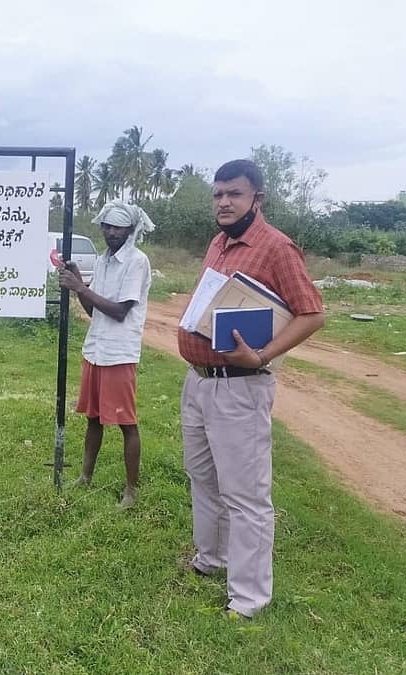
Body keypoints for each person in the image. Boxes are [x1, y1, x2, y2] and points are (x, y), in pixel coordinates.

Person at [178, 159, 324, 618]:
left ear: (256, 198)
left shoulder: (277, 248)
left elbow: (312, 313)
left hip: (240, 387)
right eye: (218, 194)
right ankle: (211, 558)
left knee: (245, 495)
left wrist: (261, 356)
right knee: (203, 476)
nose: (224, 202)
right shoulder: (219, 242)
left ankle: (248, 601)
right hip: (199, 382)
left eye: (234, 194)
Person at [59, 200, 153, 508]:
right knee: (94, 418)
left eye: (118, 227)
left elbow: (120, 311)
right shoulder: (103, 261)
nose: (111, 232)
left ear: (130, 229)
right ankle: (85, 477)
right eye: (107, 226)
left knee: (126, 423)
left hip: (119, 353)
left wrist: (81, 288)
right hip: (96, 349)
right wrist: (79, 284)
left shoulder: (136, 261)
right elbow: (91, 309)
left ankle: (131, 491)